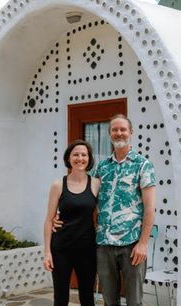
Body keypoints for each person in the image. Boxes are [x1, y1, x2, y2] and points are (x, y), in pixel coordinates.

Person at [56, 114, 156, 306]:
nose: (119, 133)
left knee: (134, 302)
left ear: (131, 133)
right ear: (109, 134)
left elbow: (150, 208)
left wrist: (143, 243)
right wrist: (58, 217)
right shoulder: (101, 167)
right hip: (103, 245)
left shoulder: (143, 165)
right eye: (114, 130)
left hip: (132, 245)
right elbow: (82, 194)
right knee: (109, 301)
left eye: (122, 129)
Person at [43, 140, 101, 306]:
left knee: (87, 298)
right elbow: (48, 221)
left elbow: (101, 214)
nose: (80, 158)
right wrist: (47, 252)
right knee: (60, 298)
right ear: (68, 158)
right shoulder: (58, 185)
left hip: (87, 249)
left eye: (84, 155)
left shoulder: (96, 184)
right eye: (76, 154)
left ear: (89, 159)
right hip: (61, 248)